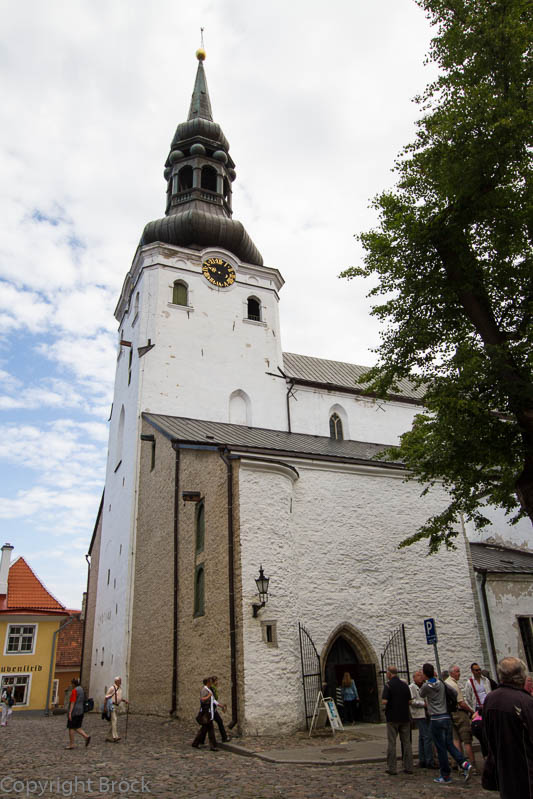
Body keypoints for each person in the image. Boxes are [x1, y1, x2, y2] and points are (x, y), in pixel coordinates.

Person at [482, 657, 533, 799]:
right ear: (521, 675)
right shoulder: (525, 701)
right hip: (525, 771)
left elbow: (487, 734)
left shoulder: (491, 698)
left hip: (504, 769)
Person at [420, 662, 472, 785]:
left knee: (441, 748)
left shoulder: (426, 686)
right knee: (449, 744)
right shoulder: (442, 683)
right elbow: (453, 693)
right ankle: (465, 764)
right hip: (446, 717)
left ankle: (445, 775)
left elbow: (421, 694)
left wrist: (425, 681)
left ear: (425, 674)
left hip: (436, 719)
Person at [382, 665, 413, 775]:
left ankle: (392, 768)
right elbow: (410, 701)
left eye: (387, 673)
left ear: (390, 674)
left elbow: (384, 701)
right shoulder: (405, 686)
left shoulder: (388, 685)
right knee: (407, 743)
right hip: (405, 717)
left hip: (392, 718)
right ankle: (409, 767)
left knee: (392, 743)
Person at [445, 664, 477, 770]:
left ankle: (459, 763)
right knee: (467, 740)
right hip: (459, 714)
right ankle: (472, 764)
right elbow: (461, 703)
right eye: (457, 671)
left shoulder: (446, 683)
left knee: (456, 740)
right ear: (452, 673)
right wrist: (472, 711)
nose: (459, 673)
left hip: (450, 714)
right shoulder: (453, 685)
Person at [409, 670, 435, 768]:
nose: (420, 677)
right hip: (419, 714)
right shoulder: (411, 687)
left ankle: (423, 760)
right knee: (427, 737)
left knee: (422, 737)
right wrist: (423, 704)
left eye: (421, 675)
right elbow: (411, 701)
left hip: (427, 713)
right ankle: (429, 761)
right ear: (414, 678)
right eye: (418, 675)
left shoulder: (425, 685)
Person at [192, 677, 221, 751]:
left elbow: (213, 700)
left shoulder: (208, 690)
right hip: (206, 713)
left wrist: (220, 705)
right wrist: (208, 696)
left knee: (206, 729)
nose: (211, 683)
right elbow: (202, 699)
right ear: (207, 683)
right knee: (208, 729)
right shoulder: (204, 690)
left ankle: (197, 743)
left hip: (209, 712)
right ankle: (212, 745)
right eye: (210, 682)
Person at [65, 678, 90, 749]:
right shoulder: (81, 689)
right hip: (81, 711)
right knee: (77, 726)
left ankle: (71, 744)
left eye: (71, 684)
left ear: (73, 684)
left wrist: (70, 712)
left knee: (71, 727)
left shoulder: (75, 690)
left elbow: (73, 702)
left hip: (75, 711)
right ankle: (86, 736)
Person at [104, 676, 128, 743]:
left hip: (116, 706)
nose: (121, 681)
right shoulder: (112, 688)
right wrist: (105, 707)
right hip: (112, 706)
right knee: (114, 720)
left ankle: (108, 737)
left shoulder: (120, 688)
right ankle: (115, 736)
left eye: (120, 680)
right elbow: (106, 697)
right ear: (116, 681)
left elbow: (118, 697)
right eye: (119, 680)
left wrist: (124, 700)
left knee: (112, 722)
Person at [210, 676, 230, 743]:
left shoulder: (213, 689)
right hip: (211, 709)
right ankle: (224, 737)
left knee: (206, 726)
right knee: (219, 722)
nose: (217, 682)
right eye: (216, 681)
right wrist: (220, 705)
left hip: (213, 709)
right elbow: (212, 700)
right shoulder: (211, 689)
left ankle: (200, 740)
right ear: (213, 682)